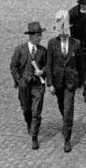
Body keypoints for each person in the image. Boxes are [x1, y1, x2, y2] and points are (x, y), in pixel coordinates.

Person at [44, 13, 80, 152]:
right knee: (62, 106)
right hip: (58, 81)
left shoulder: (75, 43)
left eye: (65, 31)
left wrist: (80, 82)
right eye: (60, 31)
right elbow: (49, 64)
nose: (63, 34)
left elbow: (80, 64)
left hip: (70, 82)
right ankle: (66, 122)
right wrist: (50, 84)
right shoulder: (52, 44)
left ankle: (67, 138)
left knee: (68, 109)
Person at [9, 20, 47, 149]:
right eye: (38, 35)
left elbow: (48, 66)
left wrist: (42, 71)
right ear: (31, 36)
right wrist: (19, 81)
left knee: (36, 111)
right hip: (24, 85)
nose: (40, 37)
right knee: (26, 109)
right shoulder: (20, 49)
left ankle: (34, 137)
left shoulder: (43, 51)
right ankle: (29, 124)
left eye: (40, 35)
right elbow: (13, 66)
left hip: (38, 86)